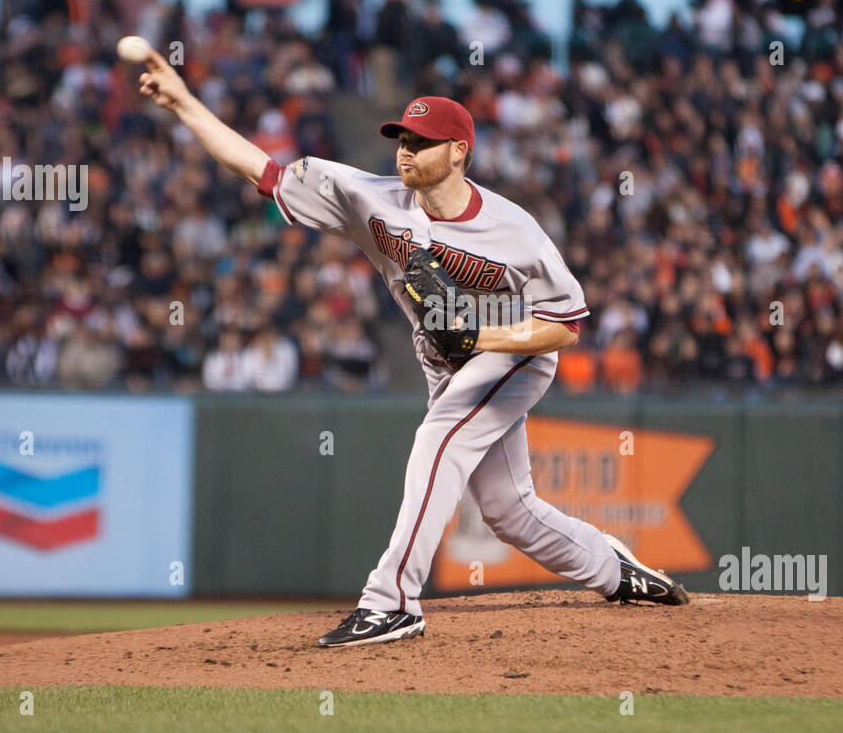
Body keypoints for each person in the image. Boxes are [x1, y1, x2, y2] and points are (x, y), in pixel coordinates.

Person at [135, 49, 690, 648]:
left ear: (458, 151)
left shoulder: (516, 231)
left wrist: (483, 338)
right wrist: (184, 104)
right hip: (446, 366)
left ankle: (393, 600)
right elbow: (261, 171)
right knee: (508, 510)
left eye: (421, 141)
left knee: (439, 437)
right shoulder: (367, 197)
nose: (405, 149)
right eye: (401, 137)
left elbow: (567, 326)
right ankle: (614, 570)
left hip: (518, 356)